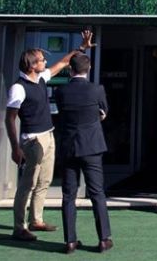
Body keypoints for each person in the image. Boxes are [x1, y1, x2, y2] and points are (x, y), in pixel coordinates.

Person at [5, 30, 94, 241]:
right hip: (32, 141)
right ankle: (19, 227)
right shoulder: (18, 88)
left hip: (48, 135)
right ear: (31, 65)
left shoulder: (42, 78)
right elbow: (9, 119)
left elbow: (63, 63)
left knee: (44, 180)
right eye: (42, 60)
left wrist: (81, 47)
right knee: (27, 184)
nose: (45, 62)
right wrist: (15, 148)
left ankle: (36, 220)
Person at [54, 52, 113, 254]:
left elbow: (61, 114)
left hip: (69, 146)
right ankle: (104, 239)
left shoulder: (61, 91)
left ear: (70, 70)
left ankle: (70, 241)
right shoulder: (97, 89)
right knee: (97, 193)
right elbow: (104, 112)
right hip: (92, 146)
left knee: (68, 195)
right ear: (88, 70)